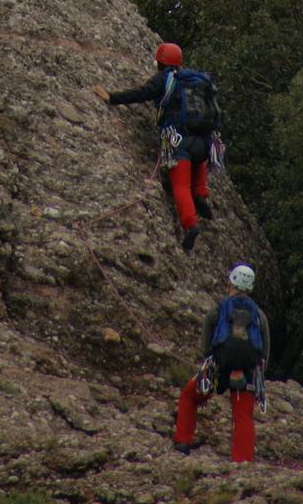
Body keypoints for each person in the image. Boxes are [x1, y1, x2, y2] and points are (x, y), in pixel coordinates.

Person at [93, 42, 218, 252]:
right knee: (197, 162)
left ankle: (190, 225)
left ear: (159, 62)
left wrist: (112, 97)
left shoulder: (165, 79)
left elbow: (142, 93)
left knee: (180, 185)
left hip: (177, 140)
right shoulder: (193, 81)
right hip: (204, 141)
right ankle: (201, 194)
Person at [173, 263, 270, 462]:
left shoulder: (218, 310)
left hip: (218, 369)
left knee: (189, 397)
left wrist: (209, 365)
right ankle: (242, 462)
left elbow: (206, 345)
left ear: (231, 282)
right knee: (243, 417)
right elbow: (265, 352)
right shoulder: (259, 316)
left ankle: (182, 443)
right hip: (248, 373)